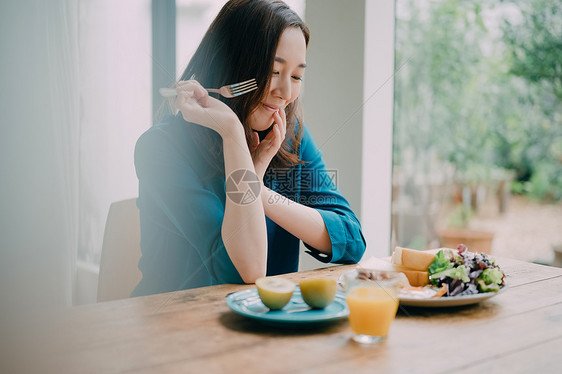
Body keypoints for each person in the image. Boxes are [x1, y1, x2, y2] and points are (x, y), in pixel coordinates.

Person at [132, 0, 366, 297]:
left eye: (296, 76)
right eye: (273, 71)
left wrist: (256, 187)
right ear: (231, 64)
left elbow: (350, 239)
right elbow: (244, 269)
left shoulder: (287, 135)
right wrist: (231, 133)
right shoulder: (161, 150)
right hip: (172, 329)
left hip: (263, 328)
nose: (286, 93)